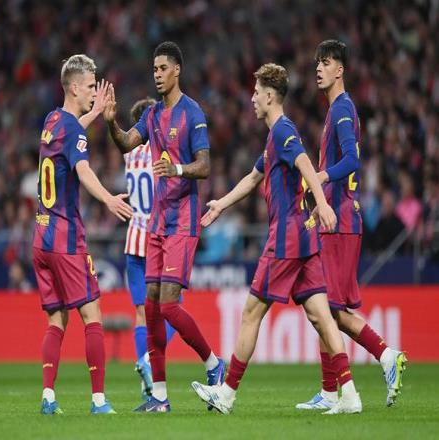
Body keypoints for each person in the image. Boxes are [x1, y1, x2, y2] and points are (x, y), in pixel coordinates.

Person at [191, 62, 362, 415]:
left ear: (270, 96)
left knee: (251, 312)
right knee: (321, 316)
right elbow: (253, 178)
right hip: (304, 238)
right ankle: (350, 394)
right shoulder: (274, 137)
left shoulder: (283, 131)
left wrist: (323, 203)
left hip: (285, 238)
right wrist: (221, 204)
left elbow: (305, 165)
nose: (252, 99)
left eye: (256, 93)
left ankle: (226, 394)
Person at [104, 41, 226, 413]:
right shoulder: (152, 114)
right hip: (156, 223)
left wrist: (176, 168)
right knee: (153, 307)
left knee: (169, 306)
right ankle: (159, 396)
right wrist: (110, 122)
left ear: (177, 70)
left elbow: (205, 166)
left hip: (183, 221)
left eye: (162, 68)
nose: (157, 74)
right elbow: (127, 142)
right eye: (154, 69)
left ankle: (213, 364)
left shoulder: (193, 112)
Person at [296, 40, 407, 410]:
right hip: (335, 218)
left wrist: (320, 177)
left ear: (340, 70)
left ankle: (386, 356)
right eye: (317, 63)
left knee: (329, 310)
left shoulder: (343, 109)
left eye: (326, 63)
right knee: (324, 307)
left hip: (342, 221)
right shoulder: (335, 110)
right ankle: (330, 392)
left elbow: (352, 161)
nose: (319, 68)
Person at [32, 54, 133, 415]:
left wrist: (96, 112)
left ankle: (48, 397)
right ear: (74, 87)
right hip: (66, 239)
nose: (94, 91)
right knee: (93, 317)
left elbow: (72, 132)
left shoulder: (52, 121)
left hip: (41, 238)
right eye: (90, 86)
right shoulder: (72, 129)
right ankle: (99, 401)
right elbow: (84, 170)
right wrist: (108, 198)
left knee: (56, 320)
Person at [123, 98, 178, 401]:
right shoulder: (160, 153)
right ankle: (147, 361)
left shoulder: (129, 155)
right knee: (172, 309)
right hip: (157, 238)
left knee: (141, 314)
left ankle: (145, 384)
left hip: (133, 241)